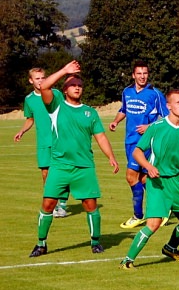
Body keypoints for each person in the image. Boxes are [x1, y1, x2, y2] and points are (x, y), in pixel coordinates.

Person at [119, 89, 179, 269]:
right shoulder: (156, 127)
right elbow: (137, 151)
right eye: (178, 102)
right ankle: (127, 260)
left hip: (177, 182)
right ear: (168, 106)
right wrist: (148, 167)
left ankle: (170, 248)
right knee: (153, 224)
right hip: (158, 183)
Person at [29, 61, 119, 258]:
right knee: (48, 204)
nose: (77, 87)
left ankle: (95, 242)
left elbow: (101, 137)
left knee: (90, 205)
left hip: (84, 167)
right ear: (64, 89)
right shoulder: (55, 106)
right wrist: (64, 71)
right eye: (72, 84)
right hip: (60, 166)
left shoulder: (90, 112)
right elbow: (44, 86)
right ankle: (41, 244)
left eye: (79, 84)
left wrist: (111, 157)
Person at [109, 60, 169, 229]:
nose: (142, 76)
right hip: (129, 140)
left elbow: (167, 118)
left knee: (130, 176)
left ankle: (138, 215)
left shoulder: (155, 94)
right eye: (139, 73)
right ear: (133, 75)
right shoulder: (127, 92)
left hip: (144, 143)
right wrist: (115, 122)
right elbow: (124, 110)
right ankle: (162, 210)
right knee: (143, 178)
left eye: (145, 73)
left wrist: (149, 127)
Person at [14, 68, 69, 218]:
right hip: (43, 142)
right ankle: (52, 203)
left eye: (43, 78)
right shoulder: (29, 99)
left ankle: (62, 205)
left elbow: (67, 110)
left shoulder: (56, 94)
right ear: (31, 81)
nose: (41, 81)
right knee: (46, 174)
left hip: (59, 140)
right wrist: (22, 131)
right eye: (37, 78)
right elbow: (30, 119)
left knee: (62, 172)